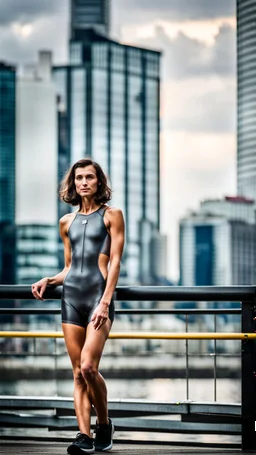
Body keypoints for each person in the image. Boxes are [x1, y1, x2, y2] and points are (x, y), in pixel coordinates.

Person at [31, 158, 125, 454]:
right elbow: (69, 267)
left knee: (88, 367)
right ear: (73, 184)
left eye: (89, 177)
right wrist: (50, 279)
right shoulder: (66, 222)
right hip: (70, 297)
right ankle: (83, 436)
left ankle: (105, 425)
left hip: (99, 298)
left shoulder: (112, 215)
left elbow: (115, 262)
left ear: (99, 182)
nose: (83, 182)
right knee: (76, 372)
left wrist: (105, 302)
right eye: (78, 178)